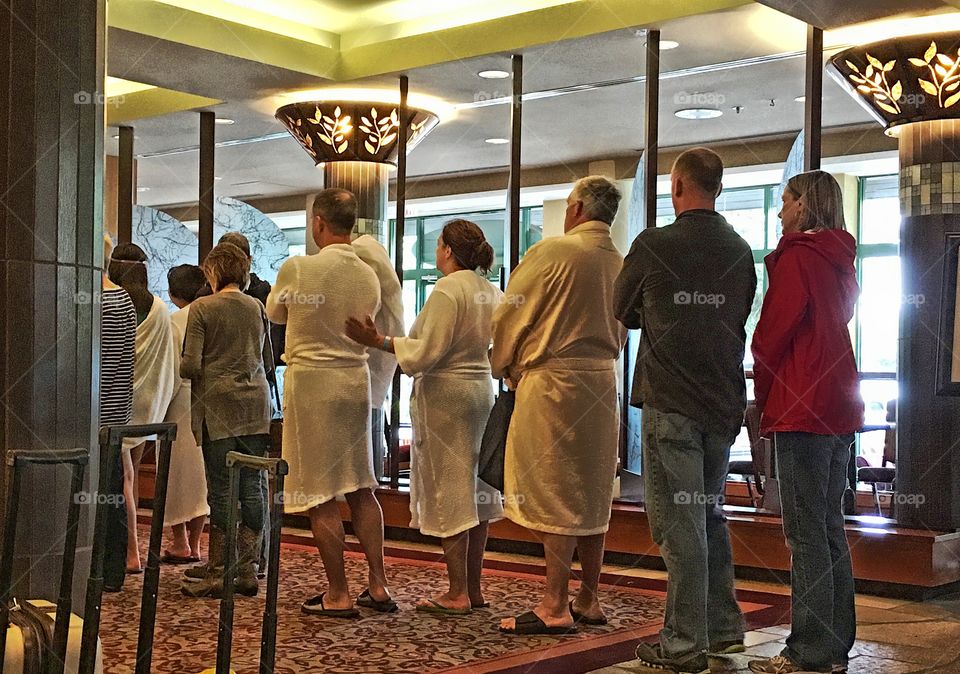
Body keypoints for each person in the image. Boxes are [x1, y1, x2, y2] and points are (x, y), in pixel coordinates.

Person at [614, 148, 756, 673]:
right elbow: (738, 316)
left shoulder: (655, 244)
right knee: (709, 515)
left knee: (680, 525)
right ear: (716, 188)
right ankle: (723, 631)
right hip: (722, 403)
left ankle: (682, 645)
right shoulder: (740, 249)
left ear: (677, 186)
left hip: (671, 401)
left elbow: (621, 310)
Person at [346, 219, 502, 615]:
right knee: (477, 493)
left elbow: (424, 352)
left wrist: (378, 340)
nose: (435, 253)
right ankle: (475, 588)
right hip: (481, 390)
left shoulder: (448, 289)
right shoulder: (489, 290)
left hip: (448, 395)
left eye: (437, 246)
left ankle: (456, 592)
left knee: (451, 489)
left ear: (448, 250)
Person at [491, 176, 626, 635]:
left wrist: (503, 364)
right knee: (591, 489)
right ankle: (589, 596)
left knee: (552, 489)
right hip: (603, 382)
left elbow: (511, 312)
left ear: (577, 210)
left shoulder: (553, 253)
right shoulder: (619, 261)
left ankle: (554, 603)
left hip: (553, 383)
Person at [747, 171, 863, 674]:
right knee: (829, 525)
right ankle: (835, 645)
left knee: (805, 532)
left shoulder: (797, 257)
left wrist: (763, 395)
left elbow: (771, 336)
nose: (779, 213)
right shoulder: (840, 260)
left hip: (802, 403)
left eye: (786, 202)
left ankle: (808, 650)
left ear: (803, 207)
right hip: (838, 402)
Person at [267, 188, 393, 618]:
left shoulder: (300, 267)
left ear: (318, 223)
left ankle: (338, 592)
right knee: (361, 484)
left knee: (319, 491)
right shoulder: (368, 274)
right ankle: (378, 584)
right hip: (354, 382)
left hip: (313, 385)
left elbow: (274, 313)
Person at [180, 243, 274, 598]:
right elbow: (266, 361)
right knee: (251, 485)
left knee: (220, 487)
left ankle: (219, 571)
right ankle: (247, 570)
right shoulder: (257, 308)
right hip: (254, 408)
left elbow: (190, 366)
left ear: (214, 272)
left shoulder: (202, 308)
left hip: (217, 407)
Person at [109, 242, 177, 574]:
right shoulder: (161, 308)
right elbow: (168, 361)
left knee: (124, 477)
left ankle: (131, 552)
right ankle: (133, 547)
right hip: (151, 401)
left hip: (119, 400)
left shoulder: (114, 304)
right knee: (131, 476)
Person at [161, 265, 209, 566]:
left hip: (179, 399)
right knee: (202, 472)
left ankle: (179, 542)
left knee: (176, 472)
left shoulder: (172, 321)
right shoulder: (211, 313)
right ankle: (196, 543)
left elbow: (170, 367)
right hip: (207, 398)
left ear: (173, 292)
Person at [99, 234, 137, 592]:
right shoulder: (124, 299)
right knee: (111, 490)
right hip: (117, 410)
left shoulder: (94, 301)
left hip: (94, 414)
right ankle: (112, 571)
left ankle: (97, 570)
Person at [351, 233, 405, 481]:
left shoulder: (364, 263)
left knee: (358, 462)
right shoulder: (384, 277)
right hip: (378, 363)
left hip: (366, 363)